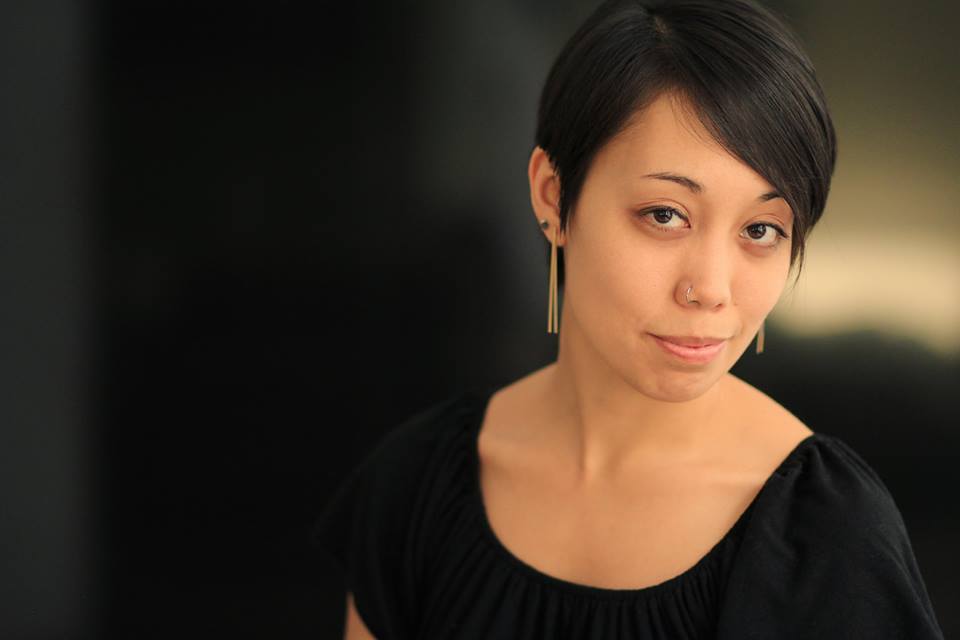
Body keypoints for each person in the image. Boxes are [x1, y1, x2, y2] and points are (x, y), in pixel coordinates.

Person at [313, 0, 945, 638]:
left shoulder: (827, 532)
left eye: (761, 229)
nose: (711, 289)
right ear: (553, 195)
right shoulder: (415, 487)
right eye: (665, 215)